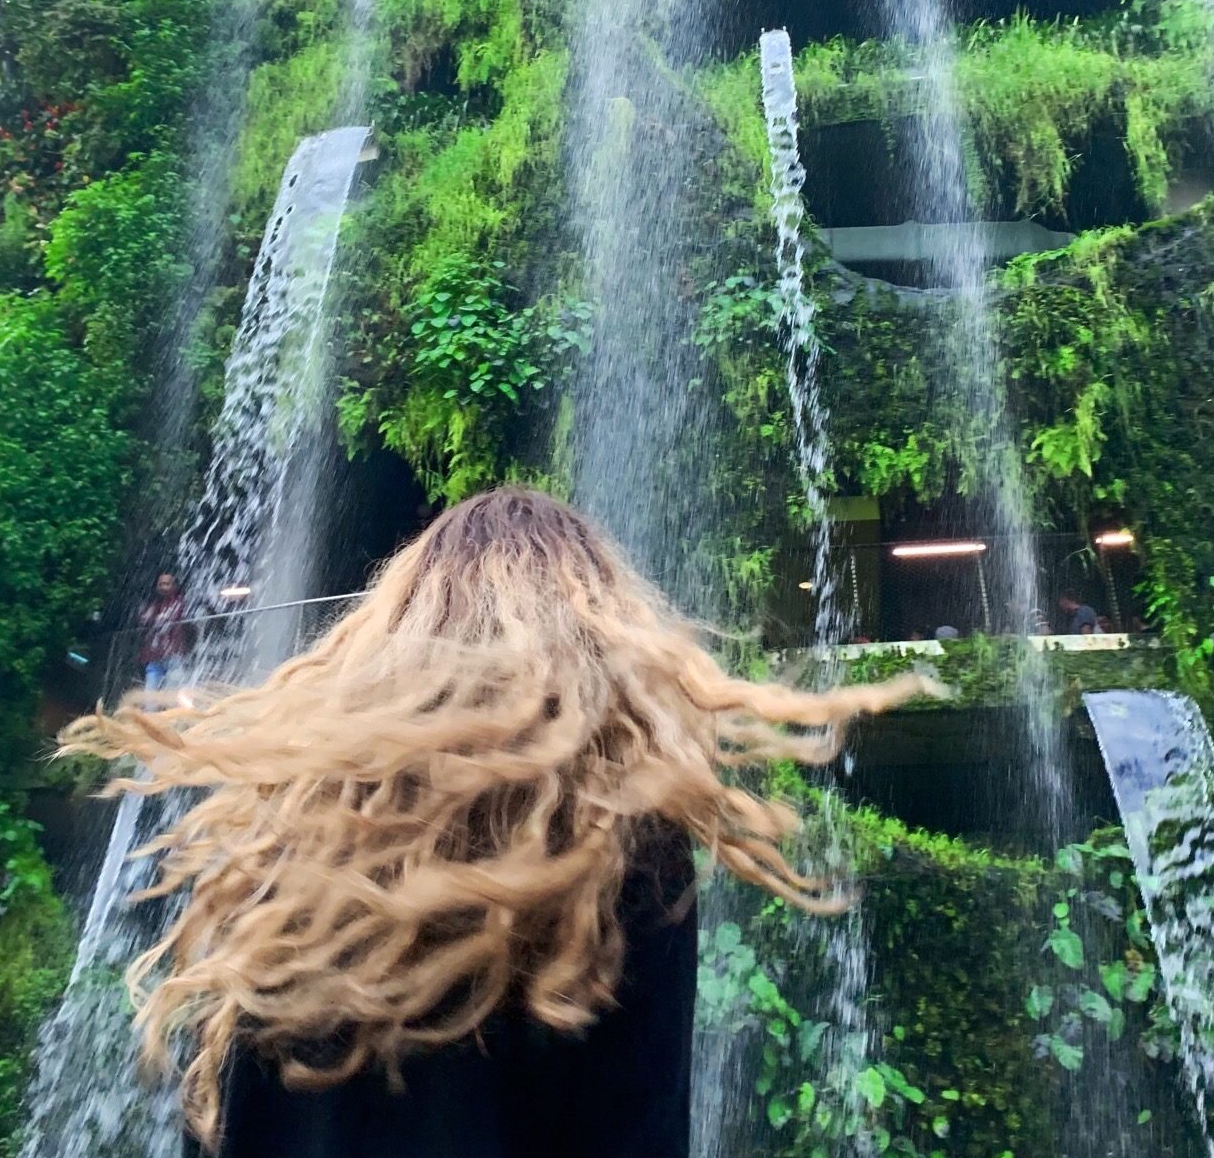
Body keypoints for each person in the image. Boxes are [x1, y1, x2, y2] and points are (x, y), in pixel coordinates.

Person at [62, 489, 941, 1158]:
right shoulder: (624, 847)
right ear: (601, 643)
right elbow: (636, 1129)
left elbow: (219, 1115)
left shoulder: (284, 836)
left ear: (390, 639)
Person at [138, 571, 188, 690]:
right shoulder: (155, 605)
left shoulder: (180, 603)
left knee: (171, 697)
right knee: (150, 698)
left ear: (174, 586)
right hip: (155, 657)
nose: (163, 587)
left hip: (173, 656)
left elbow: (170, 618)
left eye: (166, 584)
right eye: (160, 584)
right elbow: (143, 620)